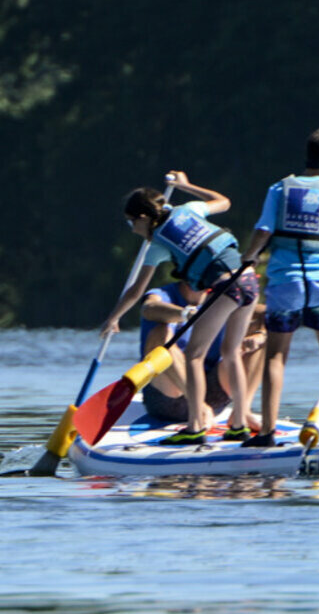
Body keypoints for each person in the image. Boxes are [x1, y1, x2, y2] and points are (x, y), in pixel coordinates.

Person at [98, 171, 260, 445]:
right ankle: (238, 425)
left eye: (131, 224)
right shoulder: (190, 209)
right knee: (231, 353)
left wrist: (113, 317)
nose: (134, 231)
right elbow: (223, 201)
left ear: (142, 219)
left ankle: (195, 426)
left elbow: (136, 291)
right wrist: (187, 187)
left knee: (194, 356)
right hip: (249, 281)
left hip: (225, 287)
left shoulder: (157, 245)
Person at [236, 127, 319, 447]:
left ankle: (266, 432)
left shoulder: (278, 188)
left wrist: (246, 261)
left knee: (276, 356)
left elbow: (263, 230)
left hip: (285, 280)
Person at [137, 281, 267, 429]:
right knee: (159, 334)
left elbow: (265, 312)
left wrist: (260, 334)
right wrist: (188, 314)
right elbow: (149, 308)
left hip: (213, 394)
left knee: (260, 337)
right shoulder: (161, 294)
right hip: (169, 397)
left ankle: (242, 411)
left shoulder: (223, 298)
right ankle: (199, 407)